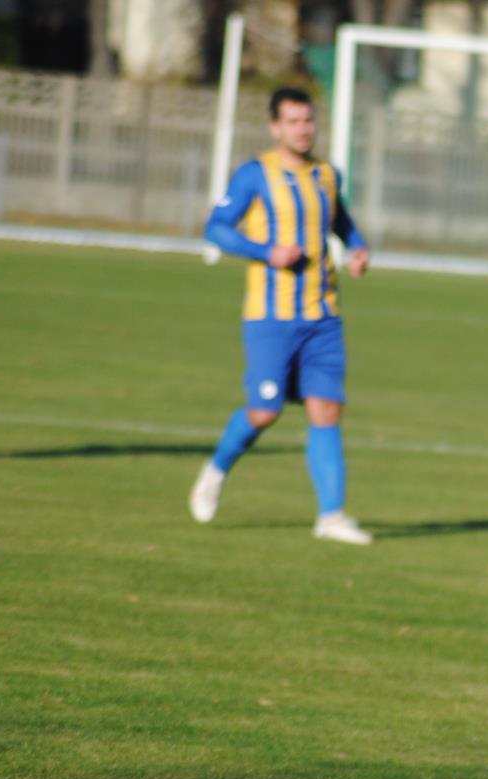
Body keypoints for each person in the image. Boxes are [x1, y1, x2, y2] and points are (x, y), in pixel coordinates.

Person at [189, 86, 374, 545]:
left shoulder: (328, 175)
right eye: (293, 121)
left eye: (308, 120)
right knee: (264, 411)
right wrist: (265, 252)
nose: (303, 129)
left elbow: (339, 219)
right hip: (270, 317)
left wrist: (356, 247)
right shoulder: (255, 175)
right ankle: (216, 470)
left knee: (326, 410)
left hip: (324, 316)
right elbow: (216, 229)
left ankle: (331, 516)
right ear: (275, 127)